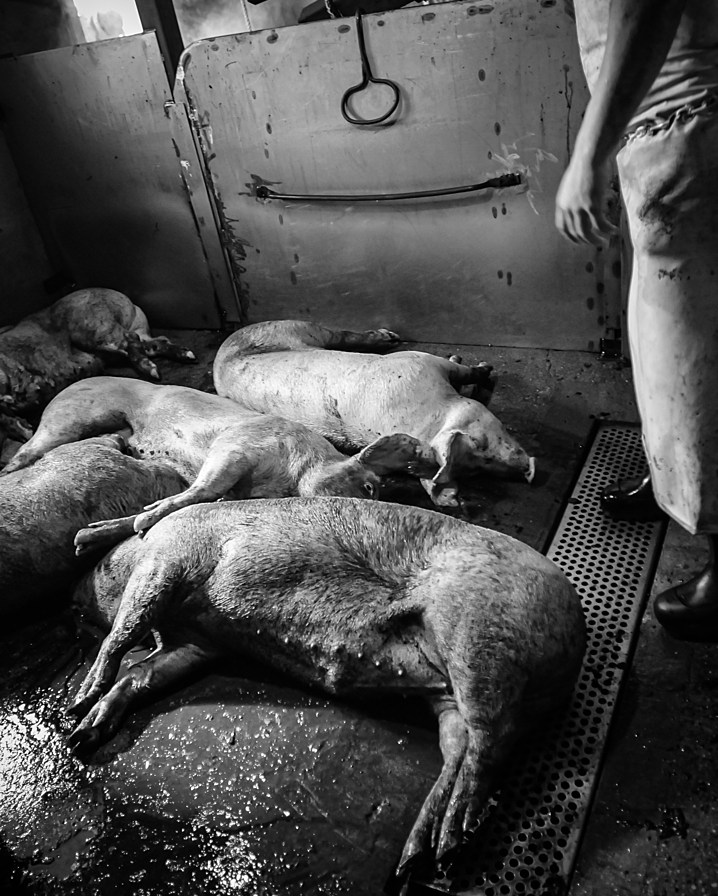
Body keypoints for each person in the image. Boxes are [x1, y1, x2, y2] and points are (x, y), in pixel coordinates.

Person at [555, 0, 718, 641]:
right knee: (660, 340)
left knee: (697, 356)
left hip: (687, 123)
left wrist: (588, 153)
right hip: (667, 132)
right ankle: (671, 478)